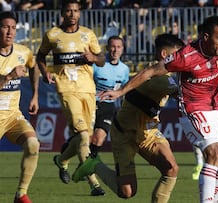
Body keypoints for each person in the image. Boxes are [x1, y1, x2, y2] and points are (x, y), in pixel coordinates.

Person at [76, 16, 218, 202]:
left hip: (163, 127)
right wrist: (121, 92)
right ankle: (95, 165)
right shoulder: (185, 58)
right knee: (130, 191)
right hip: (155, 123)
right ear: (206, 37)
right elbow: (151, 72)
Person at [72, 33, 185, 202]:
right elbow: (185, 94)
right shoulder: (160, 79)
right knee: (126, 192)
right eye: (178, 55)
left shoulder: (158, 75)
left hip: (148, 134)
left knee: (171, 169)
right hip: (125, 134)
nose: (182, 60)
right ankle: (94, 164)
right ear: (164, 55)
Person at [35, 0, 106, 196]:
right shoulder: (52, 35)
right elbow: (40, 56)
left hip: (88, 90)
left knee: (84, 137)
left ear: (79, 13)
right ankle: (94, 184)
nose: (72, 14)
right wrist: (45, 72)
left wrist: (93, 58)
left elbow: (101, 59)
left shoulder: (88, 34)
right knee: (83, 135)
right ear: (63, 12)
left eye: (75, 10)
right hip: (66, 89)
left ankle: (62, 160)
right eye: (68, 10)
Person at [0, 11, 40, 203]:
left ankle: (21, 194)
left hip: (13, 116)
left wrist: (35, 95)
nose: (10, 32)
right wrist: (8, 77)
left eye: (13, 28)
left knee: (33, 144)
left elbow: (34, 66)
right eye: (5, 27)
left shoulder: (23, 52)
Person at [89, 35, 130, 159]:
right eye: (112, 47)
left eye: (118, 47)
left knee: (99, 138)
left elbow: (124, 90)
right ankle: (65, 157)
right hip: (91, 104)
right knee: (84, 139)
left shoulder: (124, 69)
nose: (115, 50)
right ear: (107, 48)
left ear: (122, 49)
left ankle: (88, 165)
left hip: (108, 106)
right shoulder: (97, 65)